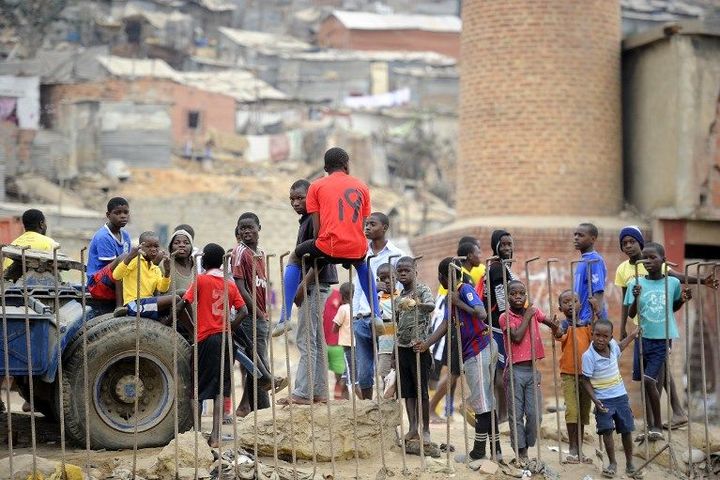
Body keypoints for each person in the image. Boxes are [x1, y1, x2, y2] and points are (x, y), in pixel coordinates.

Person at [274, 147, 380, 349]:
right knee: (362, 263)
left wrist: (324, 250)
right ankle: (376, 315)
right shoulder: (362, 187)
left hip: (328, 244)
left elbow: (317, 228)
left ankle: (284, 317)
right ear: (347, 165)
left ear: (325, 168)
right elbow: (363, 223)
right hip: (357, 245)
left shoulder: (316, 186)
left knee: (295, 257)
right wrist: (350, 253)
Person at [615, 226, 716, 430]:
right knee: (649, 375)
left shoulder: (656, 265)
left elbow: (677, 278)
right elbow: (627, 302)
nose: (628, 246)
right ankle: (665, 416)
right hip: (642, 329)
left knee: (655, 374)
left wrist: (701, 282)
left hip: (660, 330)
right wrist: (622, 327)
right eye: (624, 243)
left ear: (640, 243)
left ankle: (658, 422)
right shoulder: (625, 270)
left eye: (632, 242)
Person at [416, 257, 501, 463]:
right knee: (486, 400)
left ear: (442, 277)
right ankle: (496, 450)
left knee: (481, 402)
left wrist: (458, 302)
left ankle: (479, 452)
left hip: (479, 349)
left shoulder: (464, 290)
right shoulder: (451, 296)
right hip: (476, 350)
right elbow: (446, 323)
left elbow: (480, 313)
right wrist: (426, 344)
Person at [176, 243, 248, 447]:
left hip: (205, 339)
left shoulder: (200, 280)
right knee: (220, 389)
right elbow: (243, 312)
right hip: (225, 340)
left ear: (204, 261)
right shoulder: (230, 284)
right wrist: (229, 328)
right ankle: (216, 436)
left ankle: (197, 434)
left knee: (197, 388)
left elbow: (183, 305)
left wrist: (191, 328)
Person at [624, 242, 692, 441]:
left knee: (650, 380)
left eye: (652, 257)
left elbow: (673, 306)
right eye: (645, 258)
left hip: (663, 339)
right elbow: (631, 314)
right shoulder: (635, 283)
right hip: (643, 338)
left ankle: (657, 426)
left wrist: (683, 300)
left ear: (663, 260)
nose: (648, 261)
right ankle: (652, 424)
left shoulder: (672, 283)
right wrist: (636, 297)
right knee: (646, 383)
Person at [282, 179, 339, 404]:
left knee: (306, 339)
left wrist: (302, 286)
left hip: (314, 284)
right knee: (314, 339)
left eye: (300, 198)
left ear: (311, 197)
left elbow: (322, 257)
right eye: (292, 199)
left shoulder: (315, 221)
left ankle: (304, 392)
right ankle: (319, 391)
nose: (295, 202)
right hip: (315, 284)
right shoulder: (307, 221)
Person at [343, 211, 404, 399]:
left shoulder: (396, 255)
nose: (367, 227)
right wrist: (355, 314)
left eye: (372, 224)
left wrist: (383, 288)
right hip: (361, 318)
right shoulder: (361, 254)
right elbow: (359, 288)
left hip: (385, 318)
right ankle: (368, 408)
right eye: (366, 224)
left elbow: (401, 288)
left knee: (387, 366)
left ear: (385, 228)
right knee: (363, 371)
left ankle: (388, 411)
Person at [231, 212, 287, 414]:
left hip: (261, 315)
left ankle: (255, 406)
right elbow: (240, 286)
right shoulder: (240, 252)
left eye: (250, 227)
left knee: (257, 360)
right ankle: (262, 407)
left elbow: (259, 286)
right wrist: (256, 311)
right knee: (256, 360)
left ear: (259, 228)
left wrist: (263, 312)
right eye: (242, 228)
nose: (246, 231)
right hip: (249, 316)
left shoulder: (260, 254)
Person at [499, 280, 559, 461]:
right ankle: (521, 452)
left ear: (526, 296)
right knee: (516, 414)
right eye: (513, 293)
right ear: (508, 297)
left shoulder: (534, 312)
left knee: (534, 415)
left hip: (532, 371)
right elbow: (516, 337)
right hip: (515, 371)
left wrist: (556, 326)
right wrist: (528, 315)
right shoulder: (505, 317)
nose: (518, 296)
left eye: (521, 293)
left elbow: (552, 325)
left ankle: (527, 443)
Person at [427, 237, 483, 423]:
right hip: (455, 328)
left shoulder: (464, 275)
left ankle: (446, 409)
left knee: (454, 372)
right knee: (454, 372)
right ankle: (431, 407)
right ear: (469, 255)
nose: (480, 256)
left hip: (455, 327)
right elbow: (456, 306)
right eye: (478, 252)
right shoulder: (462, 277)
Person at [581, 319, 641, 478]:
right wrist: (595, 400)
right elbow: (585, 381)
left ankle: (630, 464)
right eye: (597, 335)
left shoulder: (613, 346)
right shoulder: (588, 356)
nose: (601, 339)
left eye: (605, 336)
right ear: (592, 334)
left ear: (610, 337)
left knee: (626, 430)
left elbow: (620, 346)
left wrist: (633, 336)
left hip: (620, 397)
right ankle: (613, 462)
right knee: (607, 430)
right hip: (603, 400)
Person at [393, 257, 435, 446]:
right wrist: (394, 351)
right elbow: (397, 324)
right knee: (408, 392)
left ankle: (425, 429)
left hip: (419, 347)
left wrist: (415, 304)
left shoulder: (422, 290)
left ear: (415, 272)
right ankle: (412, 428)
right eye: (399, 271)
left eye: (406, 270)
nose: (403, 273)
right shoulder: (399, 296)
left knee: (421, 392)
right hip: (402, 348)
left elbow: (431, 306)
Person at [553, 289, 593, 463]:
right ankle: (572, 449)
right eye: (566, 302)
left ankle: (580, 449)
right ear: (560, 308)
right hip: (569, 374)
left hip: (586, 376)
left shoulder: (587, 325)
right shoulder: (564, 325)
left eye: (574, 301)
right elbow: (559, 335)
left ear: (580, 304)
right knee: (572, 410)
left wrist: (597, 310)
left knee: (583, 412)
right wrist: (555, 328)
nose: (570, 304)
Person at [484, 229, 517, 423]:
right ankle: (503, 415)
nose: (507, 248)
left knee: (501, 370)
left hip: (498, 324)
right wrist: (510, 323)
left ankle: (501, 413)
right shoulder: (498, 268)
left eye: (509, 244)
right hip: (499, 326)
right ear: (496, 246)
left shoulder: (502, 266)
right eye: (503, 244)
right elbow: (502, 299)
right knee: (501, 371)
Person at [111, 231, 176, 319]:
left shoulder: (155, 268)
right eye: (148, 246)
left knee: (182, 294)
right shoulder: (135, 261)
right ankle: (193, 330)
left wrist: (167, 272)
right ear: (141, 247)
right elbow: (116, 276)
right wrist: (130, 256)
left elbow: (162, 289)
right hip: (134, 304)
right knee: (176, 298)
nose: (153, 249)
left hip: (148, 302)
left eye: (156, 246)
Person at [86, 197, 131, 305]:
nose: (123, 216)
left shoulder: (125, 235)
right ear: (108, 215)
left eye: (126, 212)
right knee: (124, 259)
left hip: (114, 279)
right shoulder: (104, 236)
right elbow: (116, 267)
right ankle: (120, 305)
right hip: (98, 283)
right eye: (117, 213)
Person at [2, 209, 58, 280]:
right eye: (45, 223)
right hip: (36, 287)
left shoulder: (14, 243)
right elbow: (56, 269)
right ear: (41, 224)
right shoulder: (49, 243)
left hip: (10, 288)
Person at [573, 223, 607, 324]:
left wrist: (595, 320)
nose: (576, 238)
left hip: (589, 320)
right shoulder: (582, 260)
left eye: (581, 235)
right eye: (575, 234)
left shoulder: (594, 260)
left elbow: (598, 291)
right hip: (580, 318)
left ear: (593, 239)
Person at [323, 287, 348, 400]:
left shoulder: (338, 294)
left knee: (342, 378)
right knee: (318, 378)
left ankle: (344, 406)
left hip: (337, 344)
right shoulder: (312, 294)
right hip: (319, 344)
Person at [377, 262, 399, 389]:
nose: (386, 281)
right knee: (385, 374)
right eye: (382, 279)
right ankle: (388, 404)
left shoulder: (402, 295)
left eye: (390, 277)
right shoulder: (377, 299)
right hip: (385, 345)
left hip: (400, 344)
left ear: (396, 277)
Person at [332, 282, 353, 394]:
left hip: (346, 344)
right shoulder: (357, 307)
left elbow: (335, 326)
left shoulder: (343, 308)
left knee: (349, 376)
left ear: (341, 295)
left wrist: (335, 330)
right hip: (357, 344)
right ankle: (345, 400)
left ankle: (360, 401)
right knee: (347, 374)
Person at [162, 228, 195, 293]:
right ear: (170, 248)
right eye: (177, 243)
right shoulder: (164, 264)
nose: (182, 245)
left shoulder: (195, 264)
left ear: (191, 247)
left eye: (186, 243)